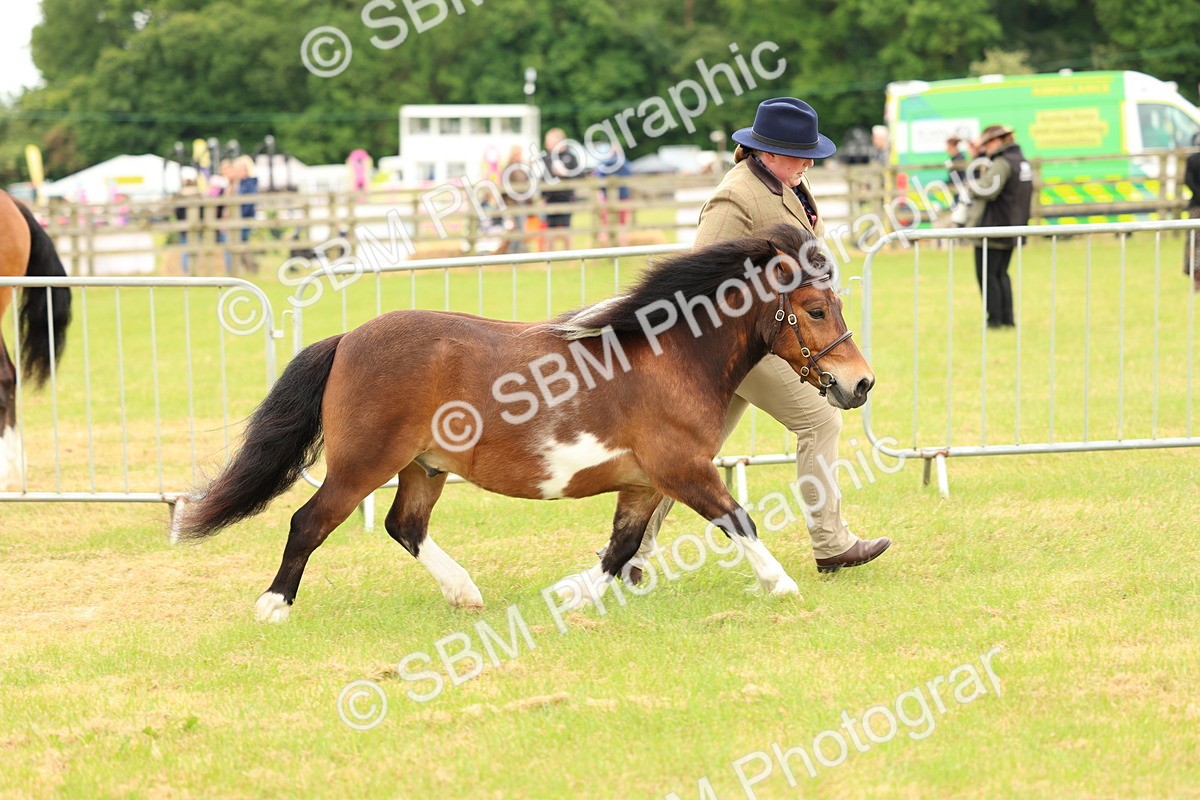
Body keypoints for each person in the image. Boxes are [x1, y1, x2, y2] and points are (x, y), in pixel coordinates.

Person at [625, 97, 892, 576]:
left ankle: (628, 557)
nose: (809, 162)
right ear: (766, 152)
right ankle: (831, 543)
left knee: (683, 453)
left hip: (776, 337)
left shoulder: (792, 185)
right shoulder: (736, 197)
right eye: (799, 153)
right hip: (749, 343)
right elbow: (701, 279)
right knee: (821, 421)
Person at [964, 124, 1033, 328]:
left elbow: (988, 189)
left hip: (994, 226)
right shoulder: (1021, 161)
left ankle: (994, 319)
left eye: (987, 144)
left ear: (996, 141)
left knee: (987, 275)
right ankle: (1007, 319)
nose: (986, 149)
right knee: (1002, 274)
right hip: (1013, 225)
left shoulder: (1002, 162)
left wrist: (971, 187)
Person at [540, 128, 580, 250]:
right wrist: (542, 196)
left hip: (566, 197)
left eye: (549, 141)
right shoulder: (545, 158)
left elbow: (578, 175)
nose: (547, 144)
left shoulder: (570, 156)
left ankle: (568, 253)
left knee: (566, 225)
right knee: (550, 227)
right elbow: (542, 178)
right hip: (550, 198)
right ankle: (550, 254)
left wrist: (565, 173)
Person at [1184, 133, 1200, 291]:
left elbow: (1188, 181)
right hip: (1196, 206)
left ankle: (1196, 279)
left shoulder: (1192, 159)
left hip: (1195, 205)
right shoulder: (1193, 160)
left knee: (1193, 243)